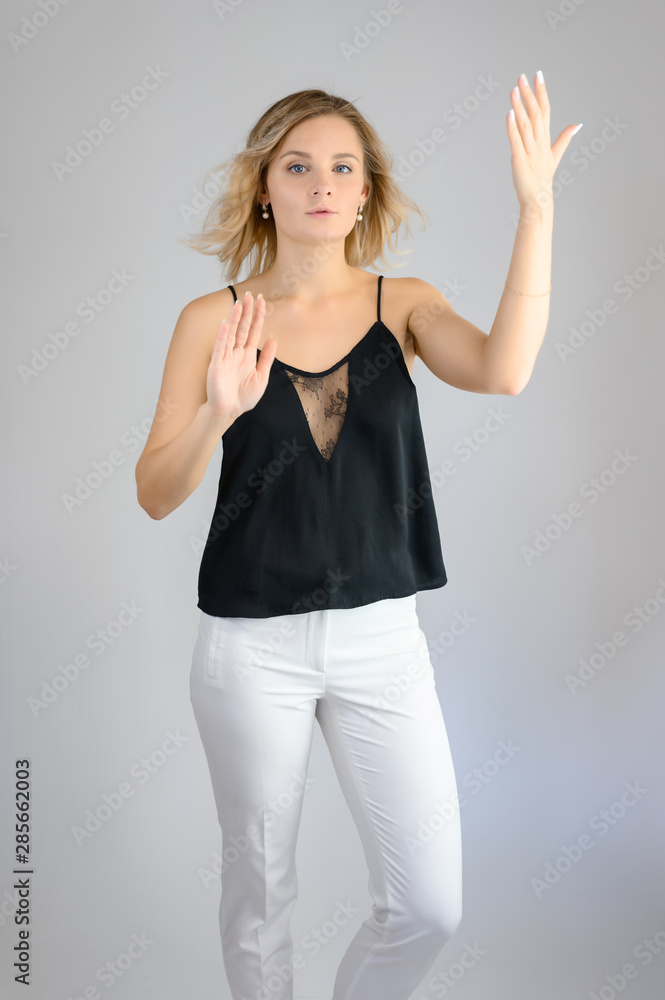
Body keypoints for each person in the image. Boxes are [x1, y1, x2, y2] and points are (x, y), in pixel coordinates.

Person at [135, 82, 579, 1000]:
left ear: (367, 190)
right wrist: (218, 410)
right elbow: (153, 492)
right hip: (250, 648)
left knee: (428, 906)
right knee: (259, 898)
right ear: (265, 187)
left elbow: (503, 370)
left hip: (383, 643)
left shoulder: (403, 304)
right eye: (297, 166)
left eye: (343, 167)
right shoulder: (211, 321)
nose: (321, 184)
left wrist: (534, 211)